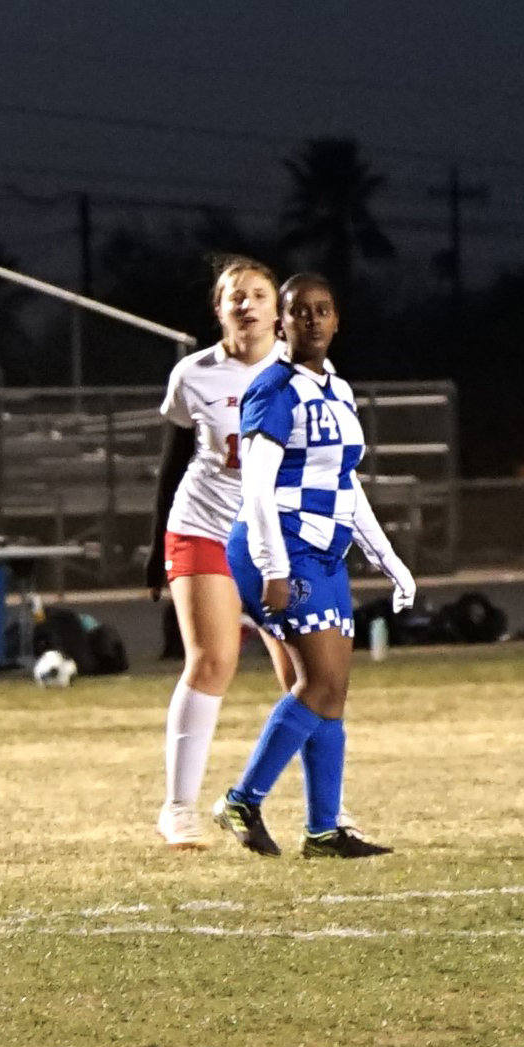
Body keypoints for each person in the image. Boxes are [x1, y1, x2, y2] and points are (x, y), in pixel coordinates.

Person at [216, 274, 413, 859]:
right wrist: (273, 566)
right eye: (300, 312)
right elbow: (255, 488)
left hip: (324, 552)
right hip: (280, 546)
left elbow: (346, 485)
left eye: (322, 311)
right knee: (318, 683)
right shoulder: (272, 388)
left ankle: (324, 830)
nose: (312, 321)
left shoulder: (340, 391)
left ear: (337, 321)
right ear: (283, 323)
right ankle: (241, 799)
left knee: (333, 693)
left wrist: (390, 559)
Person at [145, 255, 283, 850]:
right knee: (212, 662)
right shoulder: (194, 373)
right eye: (236, 296)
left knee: (307, 675)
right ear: (219, 307)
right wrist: (156, 546)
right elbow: (173, 461)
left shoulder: (305, 374)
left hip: (275, 535)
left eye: (259, 294)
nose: (247, 305)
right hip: (203, 526)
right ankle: (178, 808)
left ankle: (327, 807)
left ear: (279, 310)